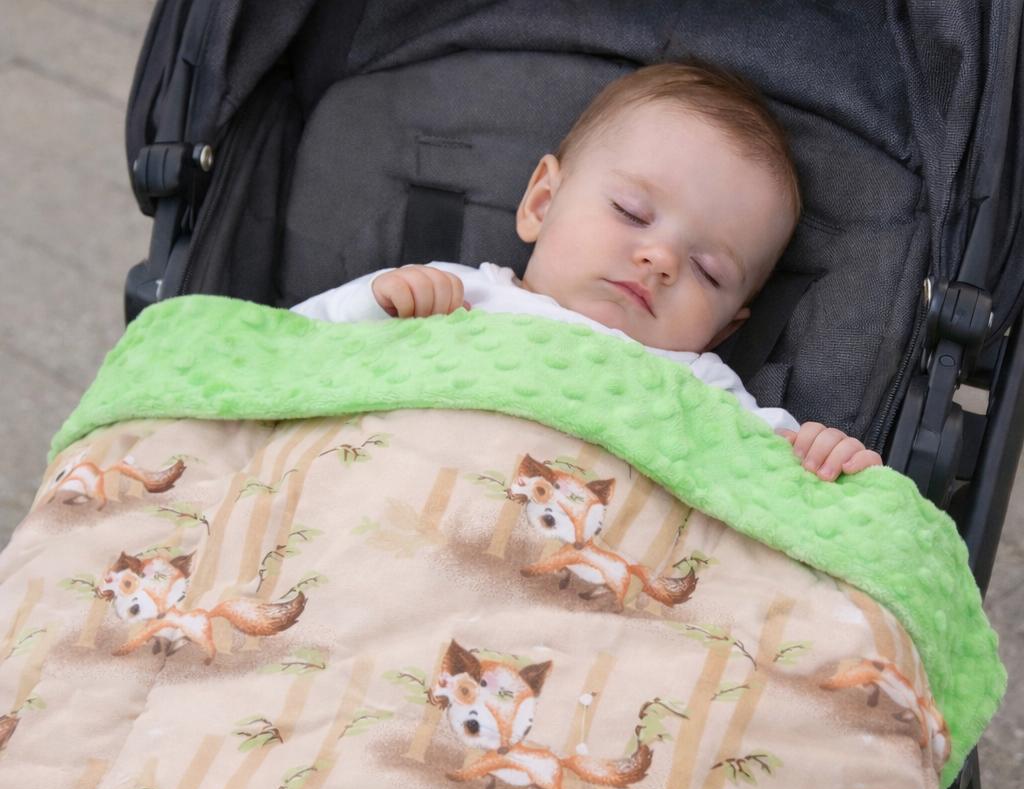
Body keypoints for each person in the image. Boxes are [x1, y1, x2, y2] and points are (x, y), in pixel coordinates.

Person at [292, 62, 881, 482]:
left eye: (708, 271)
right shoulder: (454, 294)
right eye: (631, 213)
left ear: (725, 329)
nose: (661, 259)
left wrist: (822, 456)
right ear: (541, 203)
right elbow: (294, 346)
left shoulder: (700, 387)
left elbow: (778, 476)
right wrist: (376, 306)